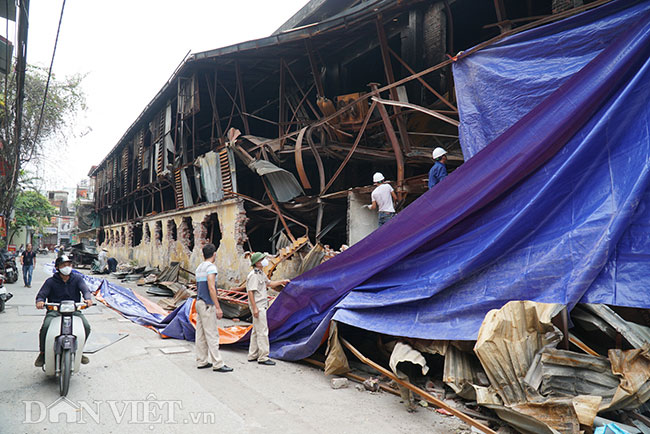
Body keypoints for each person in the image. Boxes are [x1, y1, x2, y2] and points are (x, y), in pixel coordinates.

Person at [34, 255, 93, 367]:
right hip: (55, 311)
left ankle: (80, 352)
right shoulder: (50, 281)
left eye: (69, 265)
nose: (67, 267)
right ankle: (42, 353)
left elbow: (85, 290)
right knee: (45, 327)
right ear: (57, 268)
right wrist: (40, 301)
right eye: (63, 265)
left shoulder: (77, 279)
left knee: (86, 327)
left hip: (74, 311)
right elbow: (42, 294)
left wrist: (88, 298)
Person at [194, 243, 233, 373]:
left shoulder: (199, 267)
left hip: (199, 302)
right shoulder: (211, 267)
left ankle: (202, 361)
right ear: (214, 254)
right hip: (207, 304)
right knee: (212, 334)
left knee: (200, 334)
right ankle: (217, 363)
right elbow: (211, 287)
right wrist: (218, 307)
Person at [246, 252, 289, 365]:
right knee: (263, 331)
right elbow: (250, 292)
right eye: (262, 259)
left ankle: (252, 354)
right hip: (258, 306)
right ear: (257, 262)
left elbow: (269, 283)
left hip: (260, 305)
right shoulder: (254, 275)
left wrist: (282, 281)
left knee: (256, 331)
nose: (265, 261)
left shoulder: (260, 273)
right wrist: (254, 308)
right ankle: (263, 357)